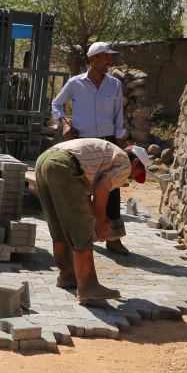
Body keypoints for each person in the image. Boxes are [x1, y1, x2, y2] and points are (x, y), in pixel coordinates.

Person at [34, 138, 150, 303]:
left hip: (45, 161)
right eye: (138, 172)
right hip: (63, 165)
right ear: (136, 162)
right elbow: (101, 187)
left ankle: (67, 275)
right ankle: (88, 285)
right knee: (83, 228)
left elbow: (83, 191)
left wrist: (99, 214)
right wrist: (99, 221)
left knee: (59, 223)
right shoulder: (125, 164)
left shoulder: (109, 155)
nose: (133, 177)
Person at [50, 41, 132, 255]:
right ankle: (85, 235)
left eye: (110, 57)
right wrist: (65, 124)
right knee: (83, 190)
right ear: (93, 58)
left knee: (111, 189)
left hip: (106, 144)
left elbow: (117, 117)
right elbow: (56, 105)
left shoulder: (114, 84)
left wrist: (119, 145)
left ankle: (113, 239)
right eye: (106, 57)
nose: (109, 61)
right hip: (81, 145)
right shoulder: (75, 83)